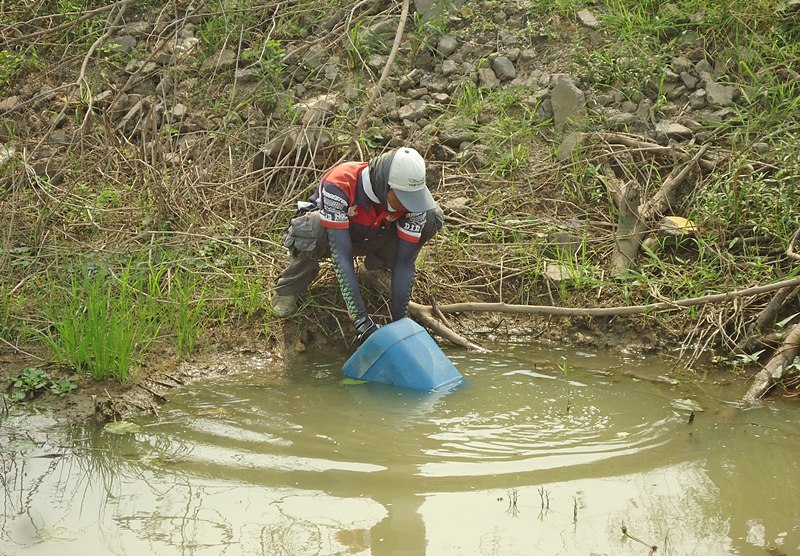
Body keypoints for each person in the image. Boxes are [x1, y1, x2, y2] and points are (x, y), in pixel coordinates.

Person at [271, 147, 443, 343]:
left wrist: (400, 324)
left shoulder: (413, 198)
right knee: (312, 226)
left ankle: (376, 269)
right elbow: (341, 256)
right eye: (403, 199)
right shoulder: (340, 183)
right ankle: (289, 288)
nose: (408, 205)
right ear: (385, 185)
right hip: (335, 237)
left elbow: (405, 263)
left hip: (378, 234)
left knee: (431, 216)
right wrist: (363, 323)